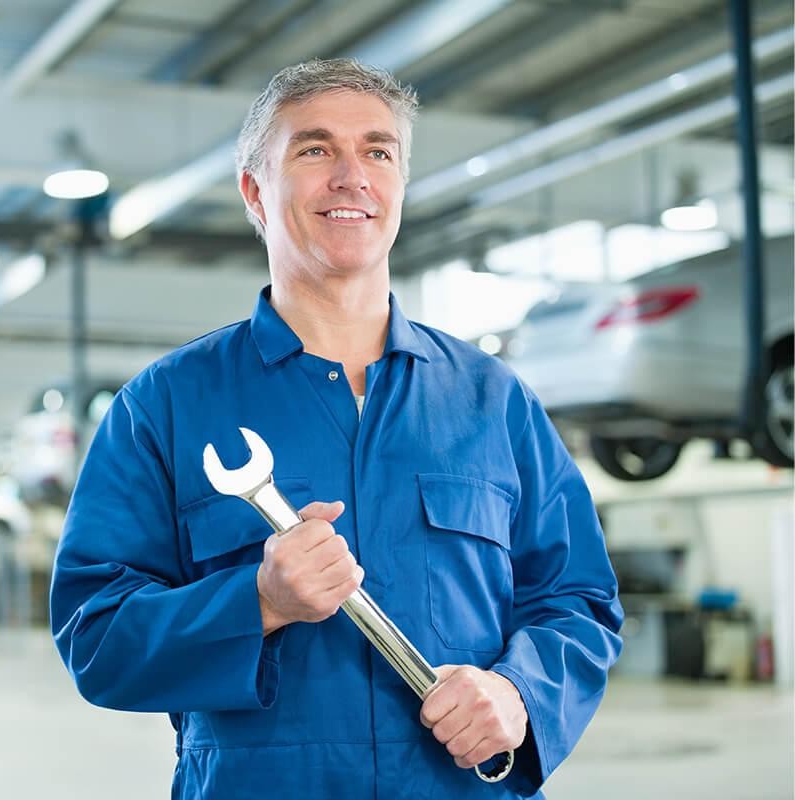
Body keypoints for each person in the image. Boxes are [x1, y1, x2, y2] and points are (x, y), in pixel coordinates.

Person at [50, 59, 623, 800]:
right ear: (256, 191)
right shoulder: (163, 407)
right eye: (315, 149)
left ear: (399, 187)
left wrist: (518, 694)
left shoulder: (494, 401)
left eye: (378, 152)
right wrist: (257, 601)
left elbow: (577, 602)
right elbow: (97, 640)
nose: (353, 176)